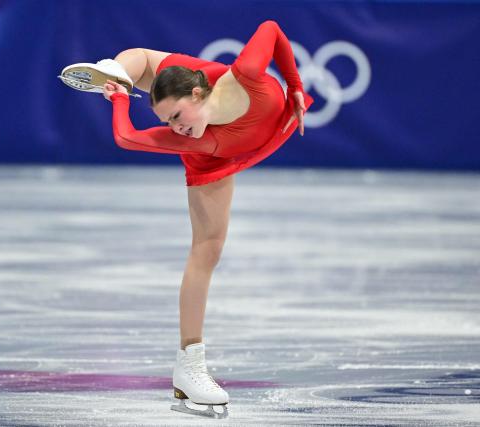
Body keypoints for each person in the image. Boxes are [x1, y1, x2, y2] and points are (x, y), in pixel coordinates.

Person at [59, 19, 313, 419]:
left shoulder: (241, 74)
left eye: (176, 115)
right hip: (217, 147)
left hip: (220, 85)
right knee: (207, 249)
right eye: (167, 122)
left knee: (148, 64)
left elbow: (272, 29)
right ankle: (190, 366)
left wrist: (296, 86)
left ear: (196, 94)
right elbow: (126, 137)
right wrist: (120, 98)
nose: (175, 128)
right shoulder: (195, 135)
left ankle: (120, 74)